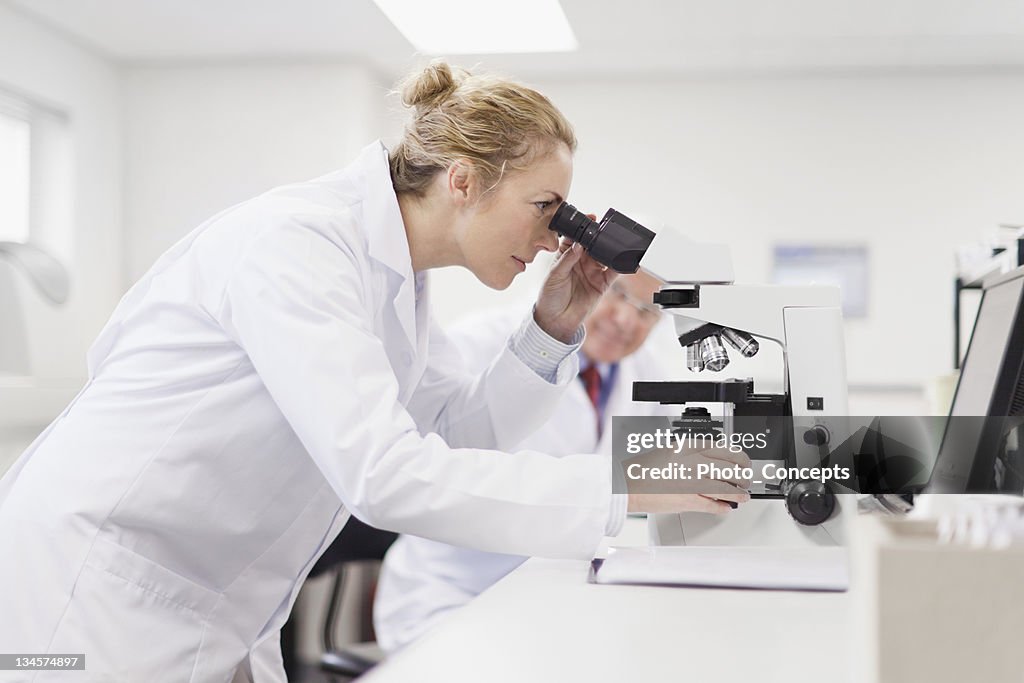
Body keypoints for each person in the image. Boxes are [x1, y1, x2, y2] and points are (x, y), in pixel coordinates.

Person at [0, 61, 748, 681]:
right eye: (545, 208)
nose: (557, 239)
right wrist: (622, 486)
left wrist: (554, 325)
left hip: (213, 606)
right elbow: (385, 474)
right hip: (98, 595)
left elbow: (457, 435)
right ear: (462, 181)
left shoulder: (395, 281)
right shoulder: (298, 246)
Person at [374, 270, 701, 652]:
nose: (627, 319)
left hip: (557, 592)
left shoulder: (644, 376)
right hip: (455, 593)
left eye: (647, 311)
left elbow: (679, 451)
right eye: (617, 294)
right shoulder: (478, 344)